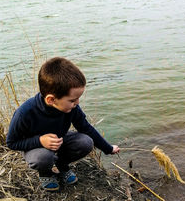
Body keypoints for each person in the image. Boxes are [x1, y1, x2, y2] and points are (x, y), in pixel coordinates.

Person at [6, 57, 120, 191]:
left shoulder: (71, 108)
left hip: (60, 141)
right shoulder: (24, 113)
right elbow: (12, 143)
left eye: (78, 98)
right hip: (35, 148)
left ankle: (62, 165)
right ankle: (46, 173)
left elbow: (86, 128)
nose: (77, 103)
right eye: (72, 100)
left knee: (86, 142)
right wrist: (40, 141)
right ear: (51, 100)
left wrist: (108, 148)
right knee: (43, 157)